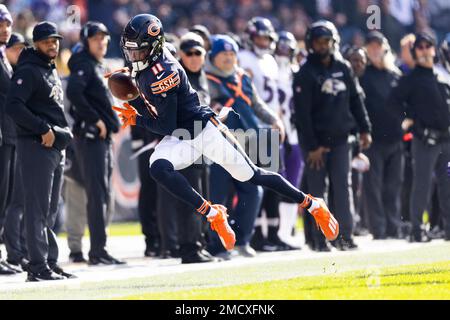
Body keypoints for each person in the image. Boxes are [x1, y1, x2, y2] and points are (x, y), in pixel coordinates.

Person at [115, 14, 339, 253]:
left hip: (203, 131)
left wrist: (137, 113)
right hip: (183, 134)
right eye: (131, 51)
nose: (133, 56)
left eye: (138, 51)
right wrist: (134, 93)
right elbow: (162, 113)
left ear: (154, 48)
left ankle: (313, 204)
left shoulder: (163, 73)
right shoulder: (151, 62)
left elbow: (166, 125)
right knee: (158, 168)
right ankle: (213, 213)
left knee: (254, 175)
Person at [293, 20, 372, 251]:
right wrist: (312, 146)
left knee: (343, 188)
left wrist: (365, 128)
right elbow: (302, 116)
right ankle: (319, 240)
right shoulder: (305, 73)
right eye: (318, 41)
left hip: (340, 139)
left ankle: (344, 236)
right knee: (318, 194)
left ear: (334, 42)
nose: (323, 46)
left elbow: (356, 100)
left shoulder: (344, 67)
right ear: (310, 44)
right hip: (316, 143)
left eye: (327, 41)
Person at [205, 35, 285, 258]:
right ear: (213, 56)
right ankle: (217, 244)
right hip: (218, 144)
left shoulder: (242, 77)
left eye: (232, 54)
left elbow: (257, 104)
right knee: (218, 196)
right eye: (224, 54)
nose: (229, 58)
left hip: (248, 141)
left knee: (253, 191)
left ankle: (242, 240)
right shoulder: (205, 78)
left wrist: (274, 120)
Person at [6, 21, 75, 281]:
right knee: (37, 208)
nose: (52, 45)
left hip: (54, 145)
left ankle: (49, 261)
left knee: (50, 210)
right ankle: (37, 266)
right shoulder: (29, 70)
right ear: (36, 43)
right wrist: (42, 128)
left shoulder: (49, 68)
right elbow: (13, 106)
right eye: (47, 41)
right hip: (37, 145)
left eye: (55, 40)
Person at [66, 21, 123, 265]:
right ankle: (97, 252)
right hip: (90, 138)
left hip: (101, 139)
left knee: (102, 194)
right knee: (96, 194)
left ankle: (100, 249)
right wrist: (96, 119)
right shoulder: (83, 63)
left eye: (104, 38)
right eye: (95, 38)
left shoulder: (97, 65)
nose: (101, 42)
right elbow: (73, 94)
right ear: (85, 41)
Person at [155, 32, 214, 263]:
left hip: (202, 145)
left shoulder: (202, 77)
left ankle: (199, 243)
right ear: (180, 55)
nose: (193, 57)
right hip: (185, 143)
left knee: (204, 194)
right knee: (191, 198)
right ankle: (188, 247)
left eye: (197, 53)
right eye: (188, 53)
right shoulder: (176, 77)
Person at [388, 32, 450, 242]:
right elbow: (393, 103)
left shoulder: (442, 75)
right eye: (420, 47)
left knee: (447, 185)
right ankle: (417, 230)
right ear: (415, 53)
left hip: (446, 139)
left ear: (434, 49)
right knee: (421, 185)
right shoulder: (410, 79)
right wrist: (409, 122)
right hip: (424, 140)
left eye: (427, 46)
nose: (424, 51)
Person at [238, 17, 287, 251]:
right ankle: (256, 234)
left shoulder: (269, 60)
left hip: (269, 126)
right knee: (255, 180)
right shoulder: (243, 58)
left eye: (266, 37)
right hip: (252, 128)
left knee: (273, 182)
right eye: (258, 37)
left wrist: (277, 120)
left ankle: (274, 234)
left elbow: (273, 98)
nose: (262, 41)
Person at [360, 31, 405, 240]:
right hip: (373, 139)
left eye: (378, 46)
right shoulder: (363, 75)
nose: (375, 50)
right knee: (373, 186)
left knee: (393, 185)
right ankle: (378, 229)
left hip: (396, 138)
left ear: (385, 47)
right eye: (371, 47)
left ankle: (393, 226)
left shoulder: (395, 75)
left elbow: (407, 103)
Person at [274, 31, 304, 249]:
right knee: (277, 183)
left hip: (294, 132)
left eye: (287, 48)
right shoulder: (268, 69)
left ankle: (286, 232)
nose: (284, 52)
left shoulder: (297, 73)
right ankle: (271, 233)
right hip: (276, 132)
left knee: (293, 184)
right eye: (280, 47)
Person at [2, 31, 28, 272]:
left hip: (13, 137)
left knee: (13, 198)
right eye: (16, 48)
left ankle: (13, 251)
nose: (20, 53)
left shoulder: (13, 71)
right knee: (7, 199)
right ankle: (13, 251)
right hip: (6, 137)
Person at [0, 3, 19, 275]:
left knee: (4, 198)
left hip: (9, 135)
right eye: (0, 24)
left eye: (7, 24)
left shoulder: (4, 55)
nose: (4, 29)